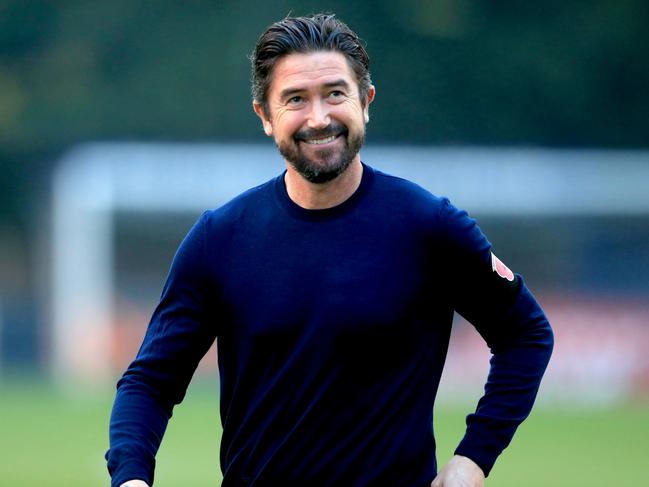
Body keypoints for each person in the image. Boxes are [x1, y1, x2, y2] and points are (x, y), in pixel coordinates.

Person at [106, 13, 553, 487]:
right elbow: (150, 382)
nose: (318, 118)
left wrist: (473, 458)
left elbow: (525, 335)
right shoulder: (220, 239)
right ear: (264, 115)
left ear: (366, 101)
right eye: (295, 99)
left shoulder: (428, 226)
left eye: (335, 94)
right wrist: (132, 477)